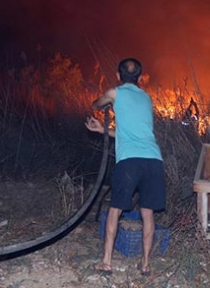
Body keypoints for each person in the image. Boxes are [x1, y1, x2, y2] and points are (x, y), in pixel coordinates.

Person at [85, 58, 165, 276]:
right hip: (153, 160)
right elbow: (128, 134)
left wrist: (101, 104)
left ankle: (106, 262)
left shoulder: (115, 92)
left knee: (115, 209)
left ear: (119, 76)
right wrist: (102, 129)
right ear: (140, 78)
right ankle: (145, 264)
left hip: (129, 160)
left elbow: (96, 104)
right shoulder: (147, 98)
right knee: (148, 213)